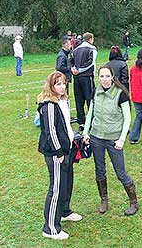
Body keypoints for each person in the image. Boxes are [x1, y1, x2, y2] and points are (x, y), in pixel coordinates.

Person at [82, 65, 139, 216]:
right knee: (99, 170)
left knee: (120, 172)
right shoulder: (96, 91)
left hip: (114, 139)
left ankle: (134, 202)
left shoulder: (121, 94)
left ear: (113, 77)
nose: (105, 79)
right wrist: (86, 132)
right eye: (102, 76)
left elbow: (127, 118)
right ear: (98, 77)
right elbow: (90, 113)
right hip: (96, 138)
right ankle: (104, 200)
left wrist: (121, 139)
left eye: (107, 76)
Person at [37, 71, 82, 241]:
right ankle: (50, 227)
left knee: (66, 183)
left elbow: (65, 125)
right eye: (58, 84)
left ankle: (64, 211)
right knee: (56, 187)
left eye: (63, 83)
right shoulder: (48, 104)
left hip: (68, 149)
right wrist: (59, 152)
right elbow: (51, 131)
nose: (62, 87)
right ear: (51, 86)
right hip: (56, 153)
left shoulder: (63, 100)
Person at [70, 32, 98, 130]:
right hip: (87, 76)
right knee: (90, 98)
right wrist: (80, 70)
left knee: (79, 99)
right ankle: (91, 121)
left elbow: (71, 61)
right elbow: (91, 62)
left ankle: (81, 121)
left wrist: (73, 68)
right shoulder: (92, 49)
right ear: (90, 39)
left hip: (76, 78)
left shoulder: (75, 49)